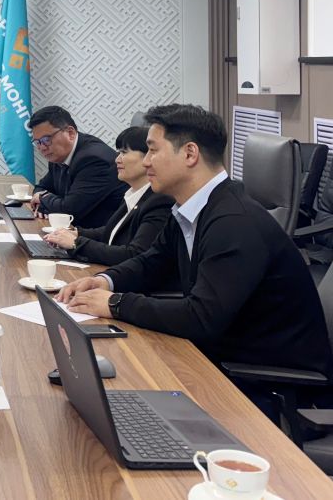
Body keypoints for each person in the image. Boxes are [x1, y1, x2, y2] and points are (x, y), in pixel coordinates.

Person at [58, 104, 333, 385]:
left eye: (153, 150)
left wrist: (115, 304)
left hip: (263, 378)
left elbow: (202, 317)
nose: (146, 162)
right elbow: (152, 261)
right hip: (219, 354)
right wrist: (105, 281)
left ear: (190, 154)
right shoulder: (192, 209)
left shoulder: (233, 222)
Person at [43, 126, 173, 266]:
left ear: (149, 157)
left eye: (124, 152)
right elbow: (111, 231)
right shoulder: (134, 193)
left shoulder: (159, 201)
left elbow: (134, 254)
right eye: (118, 152)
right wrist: (76, 233)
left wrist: (76, 243)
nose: (117, 159)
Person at [28, 106, 127, 229]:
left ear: (70, 133)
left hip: (97, 235)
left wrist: (42, 199)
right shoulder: (58, 155)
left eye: (46, 139)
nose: (42, 147)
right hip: (71, 230)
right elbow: (41, 187)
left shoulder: (94, 160)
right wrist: (43, 202)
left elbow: (69, 210)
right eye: (37, 142)